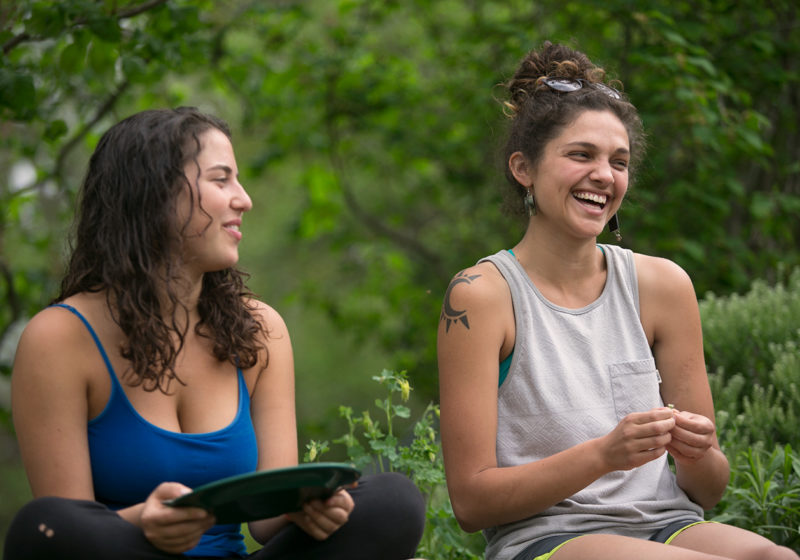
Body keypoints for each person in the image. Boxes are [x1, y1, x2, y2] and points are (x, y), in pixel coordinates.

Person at [4, 107, 425, 560]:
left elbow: (266, 522)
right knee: (41, 527)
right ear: (154, 194)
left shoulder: (260, 331)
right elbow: (71, 529)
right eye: (221, 180)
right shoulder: (60, 338)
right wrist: (142, 521)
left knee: (393, 502)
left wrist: (309, 508)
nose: (243, 199)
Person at [436, 42, 799, 560]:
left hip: (669, 526)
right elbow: (471, 503)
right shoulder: (481, 296)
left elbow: (709, 491)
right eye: (581, 155)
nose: (605, 175)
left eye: (619, 161)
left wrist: (697, 454)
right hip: (546, 538)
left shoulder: (663, 286)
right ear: (524, 169)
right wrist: (604, 455)